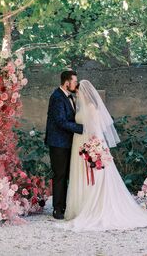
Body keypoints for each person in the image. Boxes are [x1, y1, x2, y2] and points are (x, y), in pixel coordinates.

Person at [63, 79, 147, 231]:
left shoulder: (91, 107)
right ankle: (81, 206)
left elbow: (94, 128)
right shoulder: (80, 107)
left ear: (84, 92)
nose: (77, 95)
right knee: (82, 176)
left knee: (97, 176)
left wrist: (93, 147)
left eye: (78, 92)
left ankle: (95, 207)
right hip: (79, 143)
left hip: (90, 143)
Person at [45, 70, 83, 219]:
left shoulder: (70, 97)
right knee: (60, 175)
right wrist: (81, 129)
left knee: (67, 175)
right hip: (58, 143)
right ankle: (57, 209)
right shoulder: (57, 97)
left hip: (68, 142)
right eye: (74, 81)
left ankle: (66, 206)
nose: (76, 84)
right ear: (66, 82)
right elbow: (61, 122)